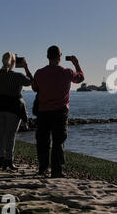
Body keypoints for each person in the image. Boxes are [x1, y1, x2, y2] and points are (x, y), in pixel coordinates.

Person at [32, 46, 84, 178]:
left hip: (43, 111)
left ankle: (43, 167)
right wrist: (76, 64)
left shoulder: (39, 73)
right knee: (58, 141)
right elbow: (80, 78)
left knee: (43, 141)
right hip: (60, 111)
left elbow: (34, 88)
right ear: (60, 57)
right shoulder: (67, 72)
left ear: (48, 56)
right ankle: (57, 170)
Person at [0, 52, 33, 170]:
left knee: (2, 134)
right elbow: (31, 81)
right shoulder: (18, 76)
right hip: (13, 108)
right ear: (14, 62)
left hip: (0, 107)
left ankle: (1, 158)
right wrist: (26, 67)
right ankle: (9, 160)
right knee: (11, 135)